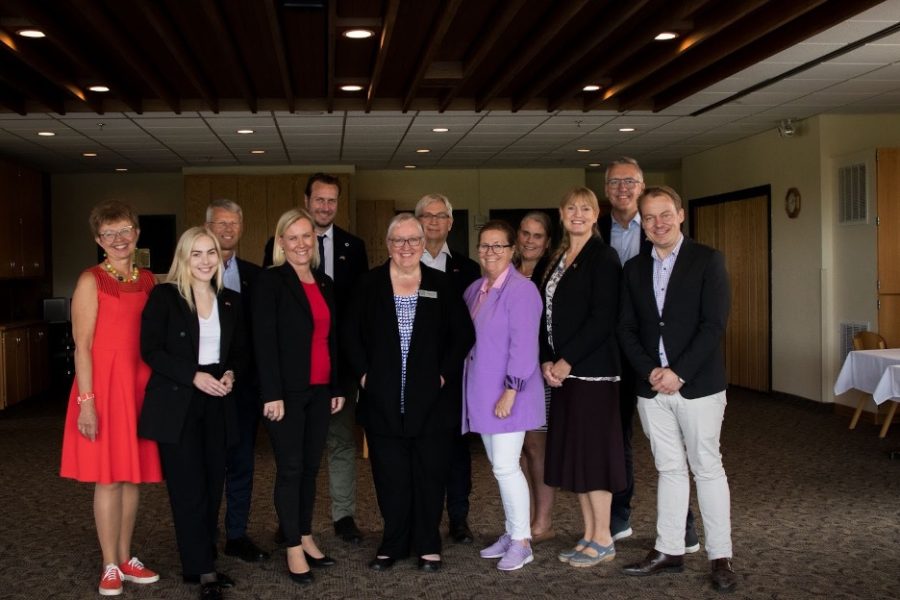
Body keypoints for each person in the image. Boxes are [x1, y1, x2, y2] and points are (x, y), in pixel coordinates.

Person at [618, 186, 737, 592]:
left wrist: (679, 372)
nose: (658, 223)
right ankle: (669, 549)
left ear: (681, 215)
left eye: (665, 214)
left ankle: (720, 556)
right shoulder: (633, 269)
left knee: (706, 467)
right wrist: (652, 370)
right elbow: (626, 328)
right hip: (651, 388)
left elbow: (713, 325)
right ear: (642, 223)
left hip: (698, 386)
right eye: (649, 218)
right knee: (668, 470)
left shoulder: (707, 261)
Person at [343, 213, 474, 573]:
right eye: (398, 240)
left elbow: (463, 335)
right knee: (390, 475)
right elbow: (349, 335)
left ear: (422, 243)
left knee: (430, 474)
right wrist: (365, 376)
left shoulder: (441, 284)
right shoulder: (369, 284)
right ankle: (394, 543)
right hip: (383, 400)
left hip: (432, 402)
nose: (406, 247)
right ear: (387, 245)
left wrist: (445, 375)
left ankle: (428, 544)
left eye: (413, 240)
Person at [60, 200, 162, 597]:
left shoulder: (149, 279)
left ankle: (125, 556)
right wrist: (87, 401)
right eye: (109, 234)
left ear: (136, 233)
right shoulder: (91, 280)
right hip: (103, 388)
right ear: (98, 240)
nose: (119, 240)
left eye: (125, 231)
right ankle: (108, 564)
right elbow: (81, 346)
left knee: (132, 474)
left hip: (138, 386)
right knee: (108, 478)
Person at [598, 157, 699, 552]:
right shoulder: (593, 230)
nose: (623, 188)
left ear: (642, 188)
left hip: (659, 355)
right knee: (617, 437)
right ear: (606, 190)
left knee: (671, 445)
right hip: (612, 352)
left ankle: (684, 524)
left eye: (630, 182)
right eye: (615, 182)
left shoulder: (661, 228)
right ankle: (619, 513)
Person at [139, 227, 245, 600]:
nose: (204, 261)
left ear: (219, 256)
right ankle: (203, 571)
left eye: (211, 253)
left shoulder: (230, 300)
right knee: (188, 489)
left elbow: (238, 351)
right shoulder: (165, 296)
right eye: (196, 254)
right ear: (184, 258)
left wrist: (230, 372)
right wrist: (193, 377)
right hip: (179, 400)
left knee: (213, 484)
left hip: (218, 398)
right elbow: (150, 350)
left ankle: (201, 561)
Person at [263, 173, 368, 544]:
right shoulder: (274, 271)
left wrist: (345, 376)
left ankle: (328, 523)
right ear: (307, 200)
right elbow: (268, 333)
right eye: (319, 199)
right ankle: (291, 532)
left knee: (328, 453)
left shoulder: (348, 255)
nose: (325, 206)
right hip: (291, 383)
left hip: (330, 378)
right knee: (292, 465)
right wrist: (272, 390)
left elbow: (347, 322)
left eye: (332, 200)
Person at [252, 208, 345, 586]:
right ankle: (291, 543)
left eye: (307, 236)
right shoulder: (270, 282)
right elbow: (264, 342)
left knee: (310, 467)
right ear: (280, 243)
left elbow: (331, 339)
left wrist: (337, 385)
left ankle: (305, 532)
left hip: (321, 390)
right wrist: (271, 393)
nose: (301, 244)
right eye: (293, 237)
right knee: (290, 468)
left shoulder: (324, 283)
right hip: (286, 394)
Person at [540, 187, 626, 568]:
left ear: (596, 216)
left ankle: (604, 536)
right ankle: (589, 533)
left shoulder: (603, 258)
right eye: (571, 207)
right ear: (561, 213)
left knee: (594, 457)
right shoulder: (557, 257)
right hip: (563, 374)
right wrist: (547, 360)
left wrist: (567, 361)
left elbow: (602, 318)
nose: (577, 214)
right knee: (577, 457)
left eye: (585, 209)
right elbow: (546, 316)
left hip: (591, 374)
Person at [464, 220, 544, 571]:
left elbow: (524, 346)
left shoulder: (521, 290)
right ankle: (513, 532)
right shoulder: (476, 289)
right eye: (484, 245)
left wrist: (510, 391)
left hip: (510, 393)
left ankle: (522, 541)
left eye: (498, 245)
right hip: (483, 393)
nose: (490, 252)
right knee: (501, 469)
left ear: (513, 250)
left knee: (506, 467)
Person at [414, 193, 481, 544]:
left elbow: (470, 328)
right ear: (417, 221)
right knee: (421, 449)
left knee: (456, 451)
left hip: (455, 376)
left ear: (451, 223)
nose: (434, 222)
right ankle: (423, 518)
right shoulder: (405, 265)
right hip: (414, 375)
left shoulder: (468, 270)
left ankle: (458, 519)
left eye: (441, 216)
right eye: (427, 216)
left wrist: (448, 366)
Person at [205, 199, 268, 563]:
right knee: (209, 463)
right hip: (203, 387)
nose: (227, 230)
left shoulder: (255, 276)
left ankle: (237, 534)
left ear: (241, 228)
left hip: (243, 386)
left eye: (233, 224)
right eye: (220, 223)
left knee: (242, 462)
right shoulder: (192, 273)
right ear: (208, 226)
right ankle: (206, 532)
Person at [513, 211, 556, 544]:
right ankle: (528, 517)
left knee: (536, 445)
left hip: (538, 369)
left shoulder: (551, 275)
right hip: (511, 371)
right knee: (521, 448)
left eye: (537, 236)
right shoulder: (507, 270)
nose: (529, 240)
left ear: (548, 242)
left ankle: (543, 520)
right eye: (525, 233)